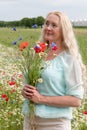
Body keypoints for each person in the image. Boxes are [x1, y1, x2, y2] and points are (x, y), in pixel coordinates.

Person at [22, 11, 86, 130]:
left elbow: (76, 100)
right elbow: (28, 86)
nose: (48, 28)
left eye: (54, 25)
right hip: (30, 120)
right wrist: (25, 91)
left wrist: (41, 99)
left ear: (63, 31)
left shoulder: (70, 59)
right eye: (46, 24)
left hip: (54, 123)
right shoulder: (36, 54)